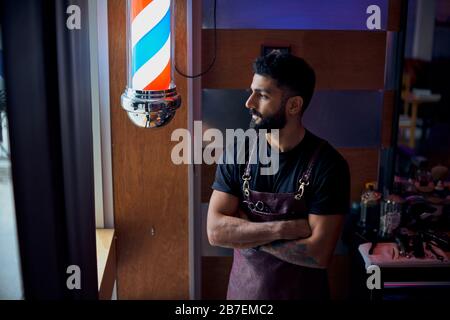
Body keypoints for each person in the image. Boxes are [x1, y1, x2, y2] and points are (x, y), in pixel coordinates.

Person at [207, 52, 351, 300]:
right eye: (251, 91)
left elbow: (318, 254)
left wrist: (245, 234)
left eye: (262, 95)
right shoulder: (237, 152)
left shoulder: (329, 165)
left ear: (294, 105)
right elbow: (216, 232)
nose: (249, 103)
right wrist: (283, 228)